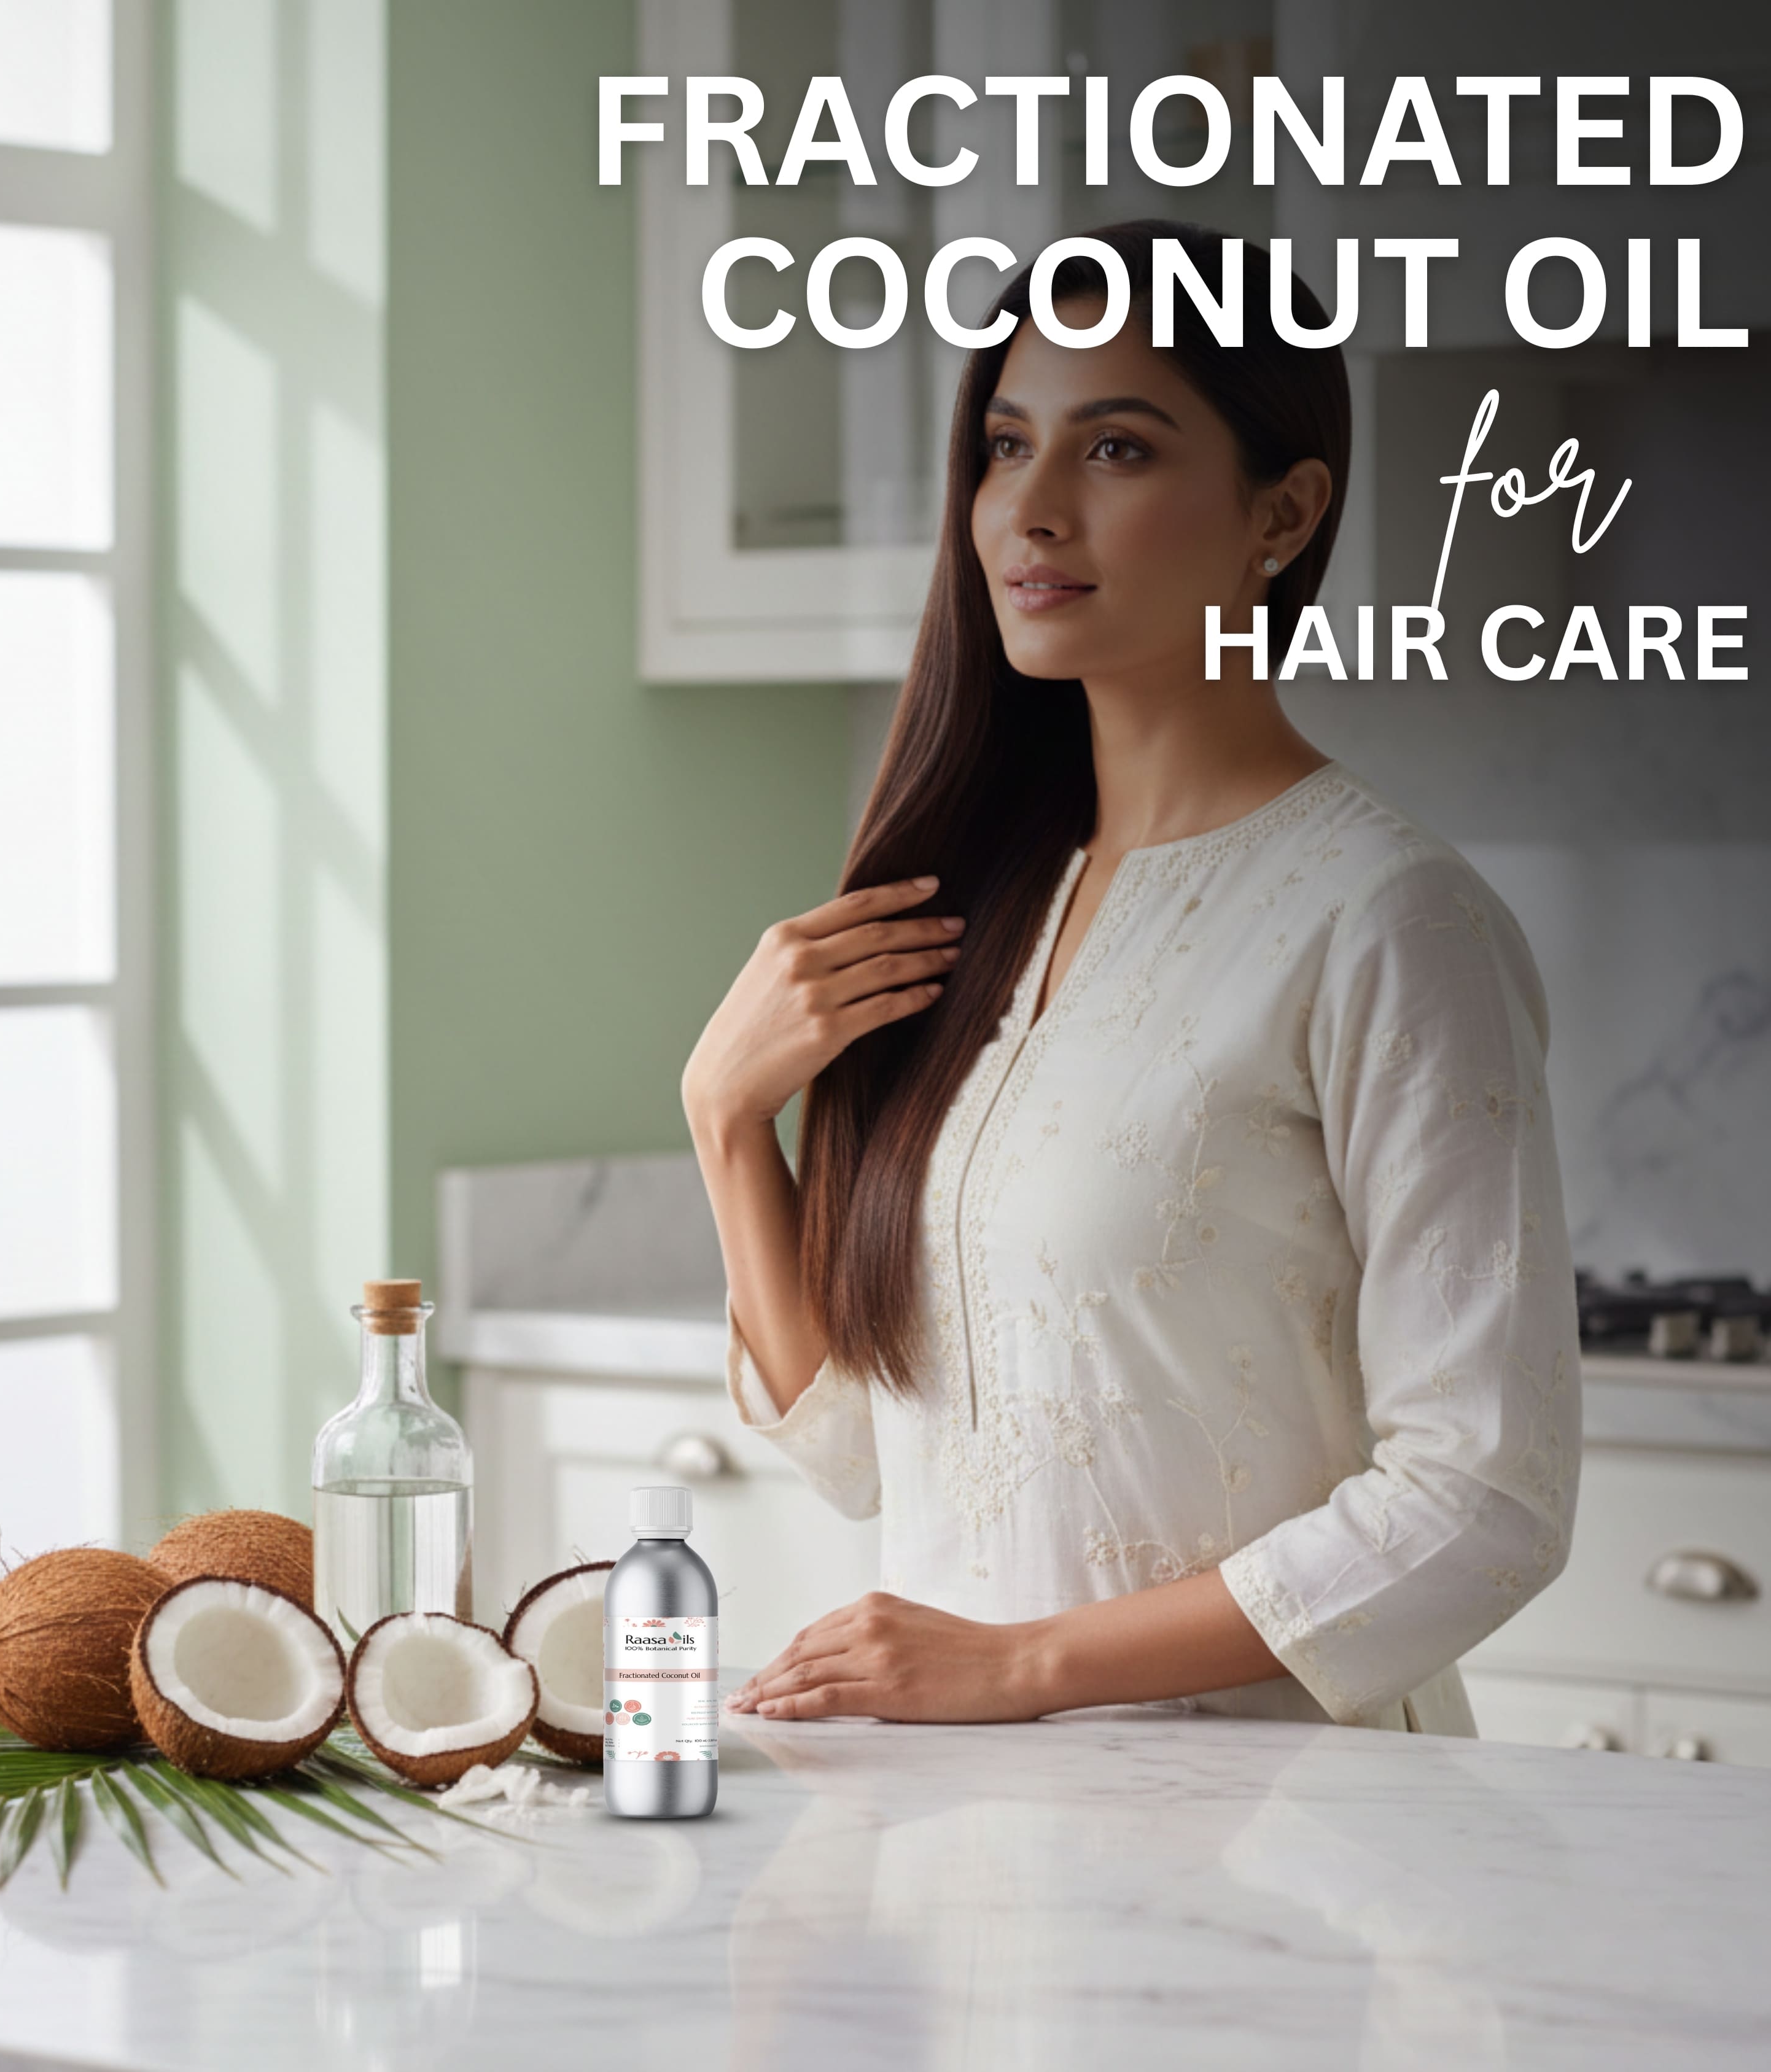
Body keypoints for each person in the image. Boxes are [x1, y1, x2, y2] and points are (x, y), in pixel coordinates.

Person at [682, 222, 1581, 1737]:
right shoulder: (973, 907)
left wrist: (1020, 1663)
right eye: (1003, 444)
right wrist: (724, 1125)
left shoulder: (1388, 919)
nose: (1026, 509)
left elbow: (1483, 1494)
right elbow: (862, 1451)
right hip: (973, 1851)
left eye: (1114, 448)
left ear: (1280, 514)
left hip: (1285, 1851)